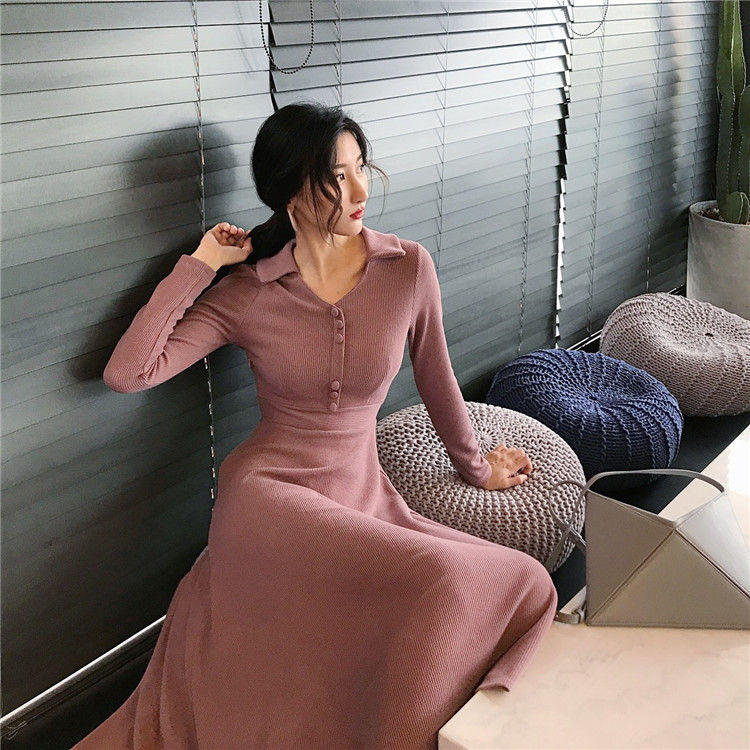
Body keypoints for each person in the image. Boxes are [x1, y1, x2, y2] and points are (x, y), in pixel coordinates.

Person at [74, 102, 557, 750]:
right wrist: (201, 264)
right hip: (268, 497)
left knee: (525, 580)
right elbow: (128, 373)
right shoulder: (249, 293)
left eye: (361, 168)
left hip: (361, 493)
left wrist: (476, 468)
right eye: (336, 178)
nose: (359, 191)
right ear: (291, 191)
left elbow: (437, 379)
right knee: (446, 579)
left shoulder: (407, 267)